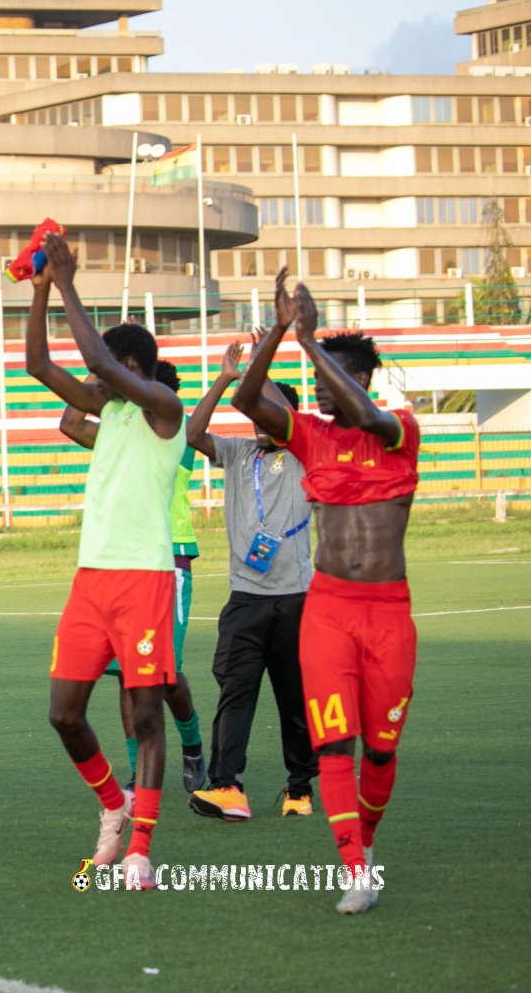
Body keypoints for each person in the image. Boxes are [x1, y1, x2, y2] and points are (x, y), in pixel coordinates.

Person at [232, 273, 419, 915]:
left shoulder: (398, 428)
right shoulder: (310, 435)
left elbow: (365, 413)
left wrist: (310, 341)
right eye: (315, 379)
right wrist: (283, 331)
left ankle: (364, 843)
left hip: (389, 612)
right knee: (334, 742)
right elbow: (247, 398)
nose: (316, 389)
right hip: (330, 610)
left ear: (360, 379)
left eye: (328, 377)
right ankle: (355, 866)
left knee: (382, 748)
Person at [24, 231, 186, 888]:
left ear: (129, 367)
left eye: (106, 369)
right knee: (63, 713)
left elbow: (91, 354)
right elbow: (40, 365)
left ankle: (141, 848)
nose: (92, 378)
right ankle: (113, 806)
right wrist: (39, 292)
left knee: (146, 719)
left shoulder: (164, 411)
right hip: (92, 580)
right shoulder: (110, 410)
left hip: (145, 579)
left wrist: (65, 280)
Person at [186, 327, 318, 821]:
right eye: (255, 411)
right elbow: (193, 435)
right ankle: (227, 787)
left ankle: (299, 789)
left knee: (294, 697)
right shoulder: (240, 454)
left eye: (269, 412)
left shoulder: (305, 453)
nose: (259, 420)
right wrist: (224, 380)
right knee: (235, 692)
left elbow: (280, 408)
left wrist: (266, 356)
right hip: (245, 599)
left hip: (295, 598)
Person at [59, 359, 206, 799]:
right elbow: (69, 422)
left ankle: (193, 743)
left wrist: (222, 378)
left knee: (166, 677)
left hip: (168, 560)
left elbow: (192, 426)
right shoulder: (117, 433)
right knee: (127, 677)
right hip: (119, 566)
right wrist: (98, 368)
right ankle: (136, 773)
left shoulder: (171, 433)